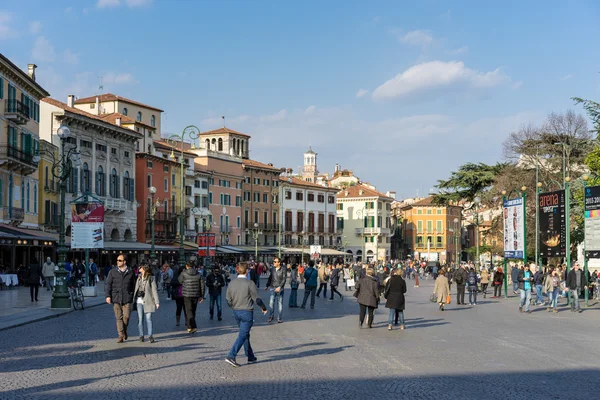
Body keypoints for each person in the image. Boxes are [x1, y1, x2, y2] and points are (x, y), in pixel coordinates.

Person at [225, 262, 268, 367]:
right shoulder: (250, 283)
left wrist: (233, 305)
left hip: (236, 311)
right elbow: (256, 299)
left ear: (237, 270)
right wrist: (263, 308)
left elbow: (228, 299)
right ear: (247, 271)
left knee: (245, 334)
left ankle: (250, 357)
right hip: (247, 312)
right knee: (243, 335)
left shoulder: (232, 283)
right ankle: (231, 355)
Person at [105, 254, 135, 343]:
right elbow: (108, 285)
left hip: (127, 297)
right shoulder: (112, 271)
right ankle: (120, 335)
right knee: (119, 318)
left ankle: (124, 330)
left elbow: (133, 284)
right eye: (117, 260)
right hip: (116, 297)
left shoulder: (130, 271)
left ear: (125, 262)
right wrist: (108, 296)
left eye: (120, 260)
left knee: (126, 316)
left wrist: (133, 295)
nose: (118, 262)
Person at [133, 264, 160, 343]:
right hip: (139, 301)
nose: (139, 268)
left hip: (148, 301)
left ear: (144, 269)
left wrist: (157, 302)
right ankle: (141, 335)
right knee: (140, 319)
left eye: (140, 267)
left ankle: (150, 335)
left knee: (148, 319)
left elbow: (154, 290)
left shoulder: (151, 278)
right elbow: (136, 289)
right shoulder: (138, 278)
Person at [178, 262, 204, 333]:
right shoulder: (199, 274)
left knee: (188, 310)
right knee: (193, 310)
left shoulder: (184, 273)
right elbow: (202, 285)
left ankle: (191, 326)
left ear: (186, 266)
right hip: (196, 294)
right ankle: (191, 326)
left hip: (187, 294)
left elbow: (180, 281)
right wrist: (202, 296)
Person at [265, 257, 286, 323]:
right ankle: (271, 316)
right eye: (273, 261)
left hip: (280, 288)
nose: (273, 263)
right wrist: (267, 285)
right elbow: (270, 277)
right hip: (272, 287)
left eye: (275, 261)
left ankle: (279, 318)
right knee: (271, 303)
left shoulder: (283, 269)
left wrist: (280, 287)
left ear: (279, 263)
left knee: (280, 303)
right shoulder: (272, 269)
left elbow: (284, 279)